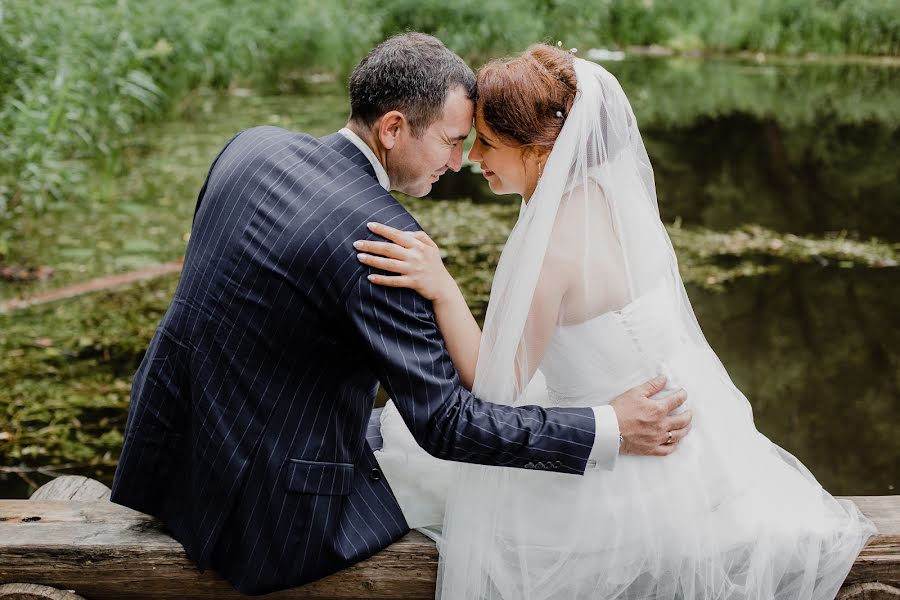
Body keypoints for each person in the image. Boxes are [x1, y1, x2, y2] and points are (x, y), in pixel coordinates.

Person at [109, 34, 690, 596]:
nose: (460, 162)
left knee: (387, 433)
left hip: (170, 460)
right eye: (451, 140)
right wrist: (609, 427)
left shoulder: (251, 146)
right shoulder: (381, 237)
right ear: (393, 129)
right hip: (269, 522)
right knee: (477, 497)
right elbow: (449, 426)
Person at [358, 44, 876, 599]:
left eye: (487, 140)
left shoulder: (549, 248)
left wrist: (441, 286)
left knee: (415, 468)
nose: (471, 157)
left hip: (609, 481)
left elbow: (495, 387)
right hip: (695, 459)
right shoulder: (613, 202)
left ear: (539, 146)